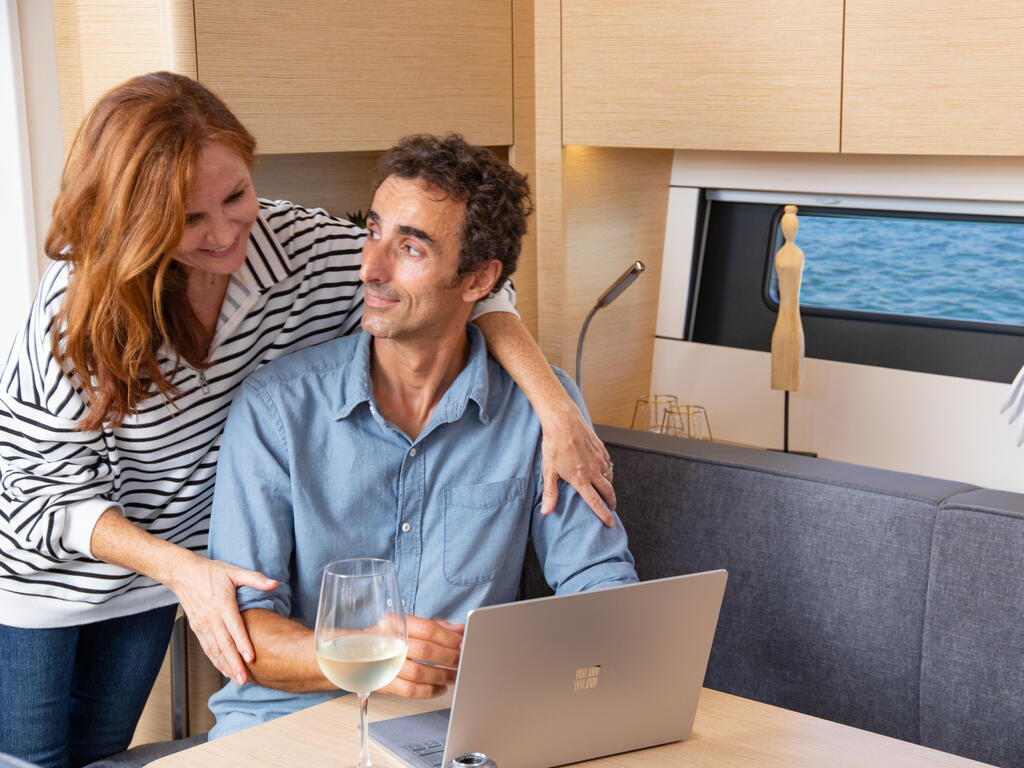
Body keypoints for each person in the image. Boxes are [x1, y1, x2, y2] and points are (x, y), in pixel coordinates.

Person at [0, 73, 615, 768]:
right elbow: (36, 496)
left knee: (94, 753)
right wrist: (180, 571)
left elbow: (475, 280)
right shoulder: (76, 309)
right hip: (50, 574)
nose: (227, 230)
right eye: (190, 219)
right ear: (139, 222)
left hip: (172, 570)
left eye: (236, 196)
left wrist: (553, 403)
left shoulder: (295, 248)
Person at [205, 133, 638, 737]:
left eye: (409, 248)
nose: (370, 267)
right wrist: (368, 652)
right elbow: (242, 633)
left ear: (478, 280)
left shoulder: (544, 410)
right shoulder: (277, 408)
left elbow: (598, 581)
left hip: (460, 727)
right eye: (374, 231)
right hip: (289, 725)